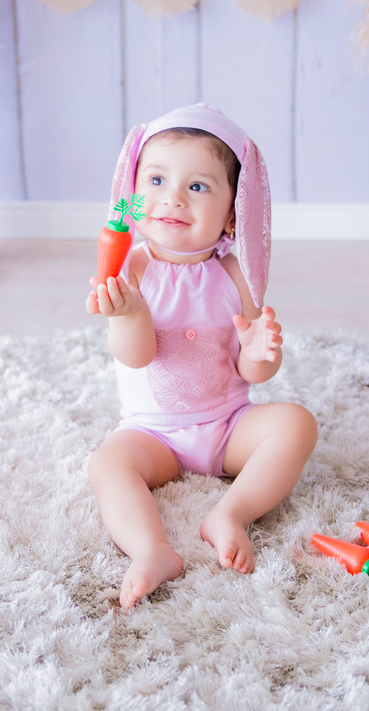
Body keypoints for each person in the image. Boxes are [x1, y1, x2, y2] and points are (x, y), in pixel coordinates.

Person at [85, 103, 318, 608]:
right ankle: (151, 550)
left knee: (296, 423)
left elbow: (249, 369)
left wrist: (261, 353)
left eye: (197, 186)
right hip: (153, 433)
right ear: (132, 191)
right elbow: (136, 356)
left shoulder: (235, 274)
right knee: (107, 463)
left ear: (234, 210)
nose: (172, 198)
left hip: (227, 424)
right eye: (156, 180)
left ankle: (230, 514)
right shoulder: (134, 269)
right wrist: (127, 315)